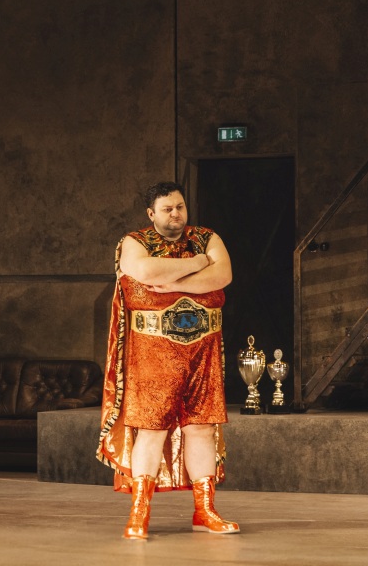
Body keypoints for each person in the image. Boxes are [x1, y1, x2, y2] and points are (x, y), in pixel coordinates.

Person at [97, 181, 239, 540]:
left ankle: (205, 511)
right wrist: (196, 265)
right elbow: (144, 273)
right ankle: (139, 513)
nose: (176, 214)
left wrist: (175, 282)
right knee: (151, 429)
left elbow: (223, 275)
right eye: (167, 209)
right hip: (153, 350)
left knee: (201, 428)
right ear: (152, 213)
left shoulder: (207, 237)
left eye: (180, 207)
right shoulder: (134, 242)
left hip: (203, 347)